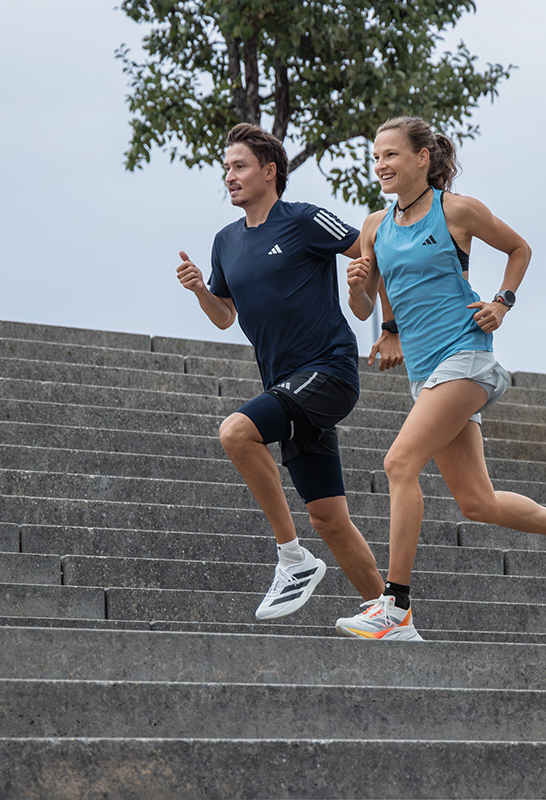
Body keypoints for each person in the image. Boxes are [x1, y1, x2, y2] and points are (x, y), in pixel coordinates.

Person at [335, 116, 546, 641]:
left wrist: (502, 302)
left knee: (399, 462)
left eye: (391, 155)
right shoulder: (374, 228)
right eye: (376, 156)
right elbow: (364, 306)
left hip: (467, 357)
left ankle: (395, 606)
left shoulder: (457, 211)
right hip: (425, 373)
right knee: (478, 502)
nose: (380, 164)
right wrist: (368, 299)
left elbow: (520, 249)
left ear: (422, 158)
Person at [177, 123, 391, 621]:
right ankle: (393, 616)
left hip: (329, 371)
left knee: (236, 433)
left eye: (239, 166)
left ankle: (292, 559)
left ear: (270, 172)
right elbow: (225, 315)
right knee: (329, 517)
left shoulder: (304, 220)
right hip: (286, 386)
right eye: (226, 168)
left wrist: (385, 318)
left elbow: (373, 250)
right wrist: (198, 292)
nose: (229, 176)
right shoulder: (225, 241)